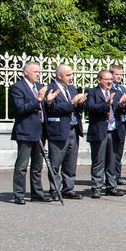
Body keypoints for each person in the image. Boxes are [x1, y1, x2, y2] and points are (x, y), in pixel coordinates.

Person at [10, 61, 59, 204]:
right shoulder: (17, 88)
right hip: (25, 130)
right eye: (35, 71)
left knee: (37, 165)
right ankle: (19, 194)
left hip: (40, 131)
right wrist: (38, 99)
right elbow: (20, 108)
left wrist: (48, 102)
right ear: (26, 72)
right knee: (22, 165)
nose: (38, 74)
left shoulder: (40, 87)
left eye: (39, 72)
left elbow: (46, 109)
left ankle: (37, 193)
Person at [44, 64, 86, 200]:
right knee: (55, 162)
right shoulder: (51, 89)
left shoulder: (72, 88)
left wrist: (80, 104)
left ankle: (68, 188)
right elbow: (51, 109)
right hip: (58, 130)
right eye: (68, 75)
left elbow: (75, 108)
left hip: (73, 128)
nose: (71, 77)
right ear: (59, 76)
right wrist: (72, 102)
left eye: (71, 74)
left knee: (70, 161)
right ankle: (55, 190)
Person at [86, 69, 126, 198]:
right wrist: (106, 104)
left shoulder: (118, 93)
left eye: (111, 79)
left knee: (112, 161)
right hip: (99, 131)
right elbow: (89, 108)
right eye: (106, 79)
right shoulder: (92, 92)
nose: (110, 82)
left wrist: (121, 105)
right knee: (98, 161)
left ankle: (111, 186)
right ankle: (97, 187)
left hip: (114, 131)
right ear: (99, 80)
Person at [109, 64, 126, 187]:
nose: (119, 77)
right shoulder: (110, 89)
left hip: (122, 123)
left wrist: (124, 105)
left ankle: (118, 175)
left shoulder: (122, 89)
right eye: (117, 74)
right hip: (112, 122)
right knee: (111, 151)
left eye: (121, 75)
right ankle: (111, 176)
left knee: (119, 151)